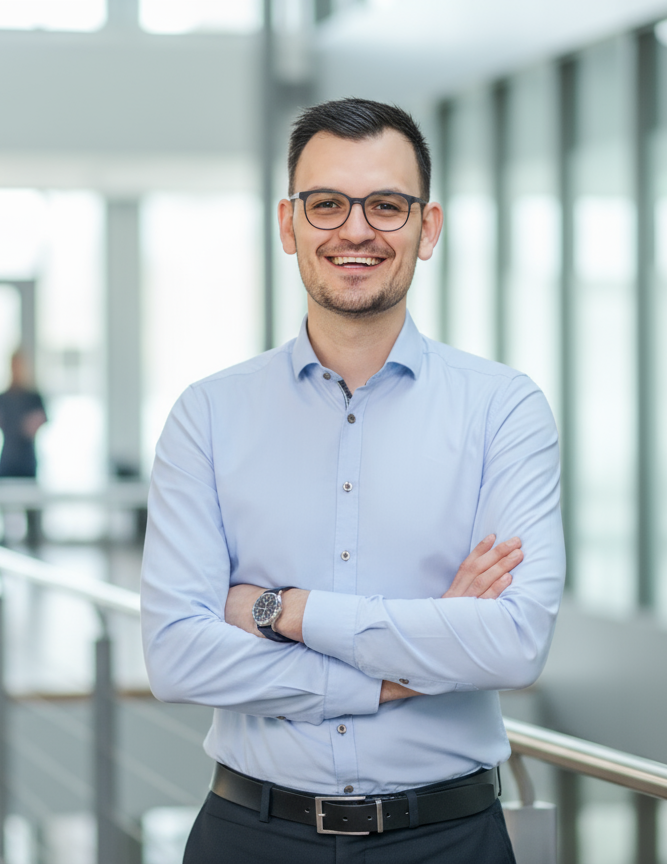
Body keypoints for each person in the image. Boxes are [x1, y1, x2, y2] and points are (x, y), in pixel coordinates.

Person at [140, 98, 565, 863]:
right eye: (327, 204)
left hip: (448, 842)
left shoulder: (503, 409)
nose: (356, 230)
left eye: (387, 206)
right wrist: (406, 666)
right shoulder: (208, 415)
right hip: (249, 838)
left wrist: (286, 610)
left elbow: (513, 643)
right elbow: (177, 655)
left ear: (427, 228)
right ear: (289, 223)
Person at [0, 350, 47, 543]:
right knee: (4, 515)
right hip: (8, 460)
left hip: (27, 462)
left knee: (32, 517)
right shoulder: (2, 397)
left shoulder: (33, 397)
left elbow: (41, 421)